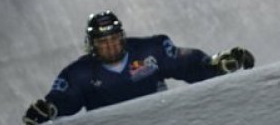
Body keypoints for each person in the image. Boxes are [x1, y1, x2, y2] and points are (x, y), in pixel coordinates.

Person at [23, 10, 254, 123]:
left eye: (114, 39)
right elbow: (64, 99)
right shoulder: (79, 73)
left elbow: (189, 65)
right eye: (103, 42)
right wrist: (48, 108)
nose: (111, 46)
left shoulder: (150, 50)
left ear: (122, 37)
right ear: (92, 46)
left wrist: (219, 63)